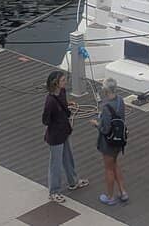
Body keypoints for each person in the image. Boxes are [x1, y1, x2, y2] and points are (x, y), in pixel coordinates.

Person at [42, 70, 87, 203]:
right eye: (62, 80)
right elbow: (45, 120)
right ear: (55, 83)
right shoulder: (50, 101)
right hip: (56, 135)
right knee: (55, 164)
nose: (65, 82)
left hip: (64, 131)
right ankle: (53, 191)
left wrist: (67, 107)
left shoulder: (62, 92)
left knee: (68, 157)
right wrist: (57, 121)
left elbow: (63, 106)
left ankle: (73, 182)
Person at [91, 77, 128, 206]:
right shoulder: (121, 101)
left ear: (106, 90)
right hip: (119, 140)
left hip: (108, 143)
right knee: (115, 163)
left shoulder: (106, 106)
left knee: (109, 169)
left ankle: (110, 196)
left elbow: (105, 129)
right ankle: (123, 192)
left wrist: (96, 124)